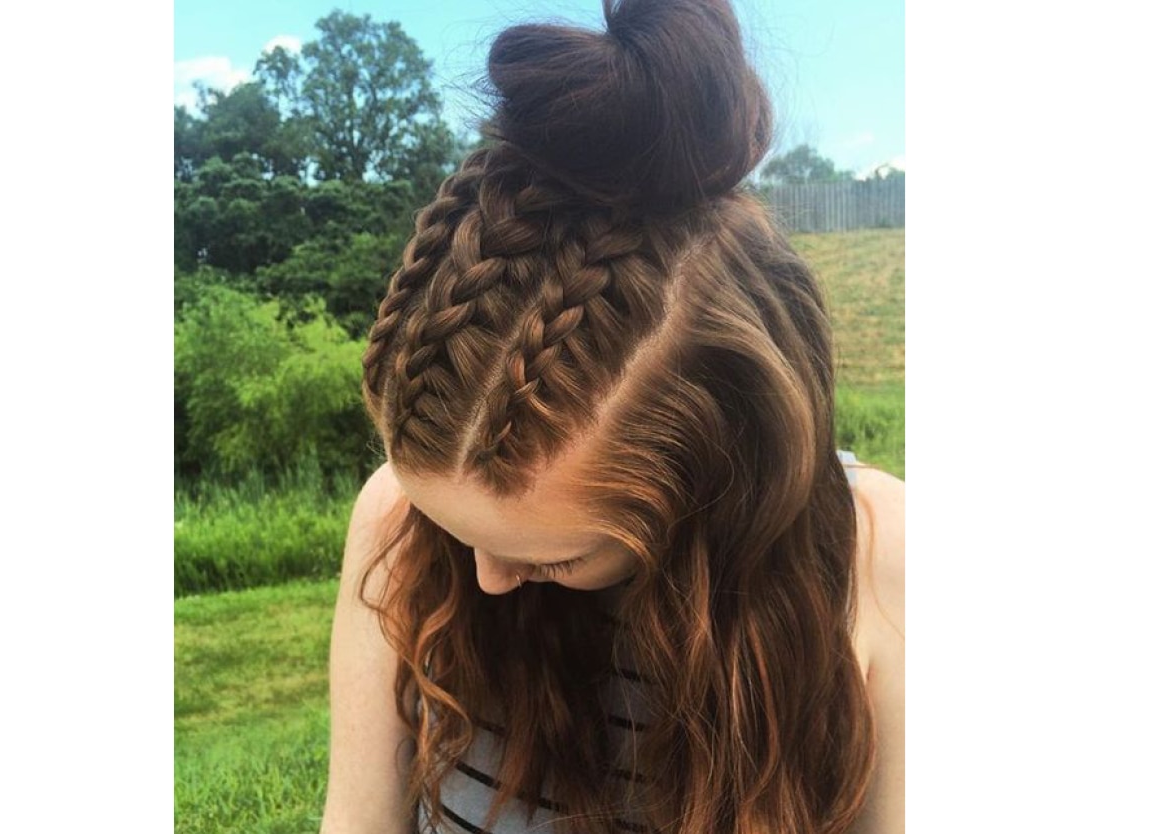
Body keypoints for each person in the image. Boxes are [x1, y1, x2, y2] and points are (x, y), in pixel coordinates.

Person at [319, 0, 904, 831]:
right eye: (452, 527)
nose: (483, 578)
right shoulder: (393, 524)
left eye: (551, 558)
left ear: (717, 479)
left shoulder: (880, 563)